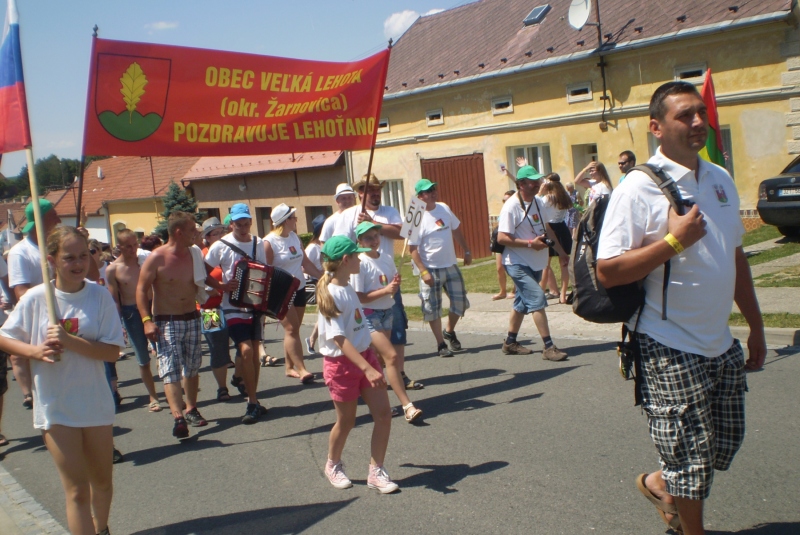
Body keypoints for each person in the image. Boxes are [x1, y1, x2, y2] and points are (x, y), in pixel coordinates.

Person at [596, 81, 766, 535]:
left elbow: (734, 257)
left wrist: (756, 326)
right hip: (667, 344)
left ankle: (659, 484)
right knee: (692, 463)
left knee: (721, 447)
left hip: (720, 341)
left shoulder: (719, 178)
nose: (697, 123)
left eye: (700, 114)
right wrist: (674, 241)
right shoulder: (636, 188)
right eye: (684, 116)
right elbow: (607, 271)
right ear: (656, 127)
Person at [0, 226, 125, 535]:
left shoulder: (98, 296)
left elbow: (111, 353)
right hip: (55, 405)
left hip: (94, 402)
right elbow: (4, 336)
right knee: (77, 490)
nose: (78, 263)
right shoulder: (35, 298)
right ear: (52, 259)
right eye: (69, 257)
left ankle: (102, 528)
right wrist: (34, 350)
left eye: (84, 255)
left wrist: (69, 341)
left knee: (103, 483)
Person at [317, 236, 398, 494]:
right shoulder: (331, 292)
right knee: (347, 421)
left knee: (384, 415)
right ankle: (333, 464)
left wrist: (377, 353)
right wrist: (367, 368)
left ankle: (376, 471)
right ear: (345, 260)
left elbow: (359, 325)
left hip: (365, 358)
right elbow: (339, 339)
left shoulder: (347, 286)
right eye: (356, 255)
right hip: (342, 366)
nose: (360, 259)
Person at [335, 174, 421, 391]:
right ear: (360, 193)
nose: (375, 193)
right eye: (369, 189)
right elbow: (339, 243)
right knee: (368, 336)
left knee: (397, 329)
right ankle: (374, 375)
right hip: (362, 282)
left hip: (389, 280)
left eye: (377, 189)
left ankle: (399, 374)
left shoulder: (388, 212)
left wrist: (374, 224)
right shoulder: (349, 215)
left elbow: (403, 232)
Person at [137, 212, 214, 439]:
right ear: (179, 232)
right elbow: (141, 290)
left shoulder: (194, 253)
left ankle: (191, 408)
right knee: (169, 368)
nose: (196, 233)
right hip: (166, 320)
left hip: (191, 316)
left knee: (192, 366)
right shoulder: (157, 258)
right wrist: (146, 321)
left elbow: (205, 277)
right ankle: (177, 416)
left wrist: (223, 286)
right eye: (192, 230)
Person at [205, 203, 269, 424]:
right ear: (230, 223)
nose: (242, 227)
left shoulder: (258, 243)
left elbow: (265, 271)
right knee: (235, 349)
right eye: (238, 224)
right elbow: (202, 273)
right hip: (222, 307)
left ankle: (253, 398)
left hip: (254, 305)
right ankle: (227, 389)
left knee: (251, 354)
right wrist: (221, 286)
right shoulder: (219, 246)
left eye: (246, 223)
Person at [497, 165, 569, 360]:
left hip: (536, 262)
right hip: (516, 262)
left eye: (538, 180)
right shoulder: (511, 206)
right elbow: (501, 238)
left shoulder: (538, 201)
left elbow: (548, 229)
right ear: (521, 184)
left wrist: (561, 252)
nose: (538, 184)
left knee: (521, 302)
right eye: (533, 181)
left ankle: (510, 342)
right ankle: (548, 347)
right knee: (537, 299)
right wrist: (530, 244)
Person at [353, 221, 422, 423]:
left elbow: (389, 283)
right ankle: (407, 406)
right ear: (359, 241)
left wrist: (395, 284)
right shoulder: (360, 262)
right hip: (368, 314)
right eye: (367, 238)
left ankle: (374, 400)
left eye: (375, 236)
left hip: (386, 312)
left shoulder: (387, 258)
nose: (373, 241)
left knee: (379, 360)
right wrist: (386, 290)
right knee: (391, 357)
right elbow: (359, 297)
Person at [7, 199, 62, 411]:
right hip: (41, 321)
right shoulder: (20, 253)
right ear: (43, 220)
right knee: (48, 376)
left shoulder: (56, 248)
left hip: (65, 316)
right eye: (54, 216)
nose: (58, 219)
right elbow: (21, 293)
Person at [408, 178, 472, 358]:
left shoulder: (443, 207)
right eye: (428, 191)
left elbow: (456, 230)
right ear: (420, 196)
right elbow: (412, 249)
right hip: (430, 268)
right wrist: (423, 271)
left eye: (434, 189)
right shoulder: (415, 216)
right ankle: (440, 344)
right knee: (432, 308)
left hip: (450, 264)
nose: (432, 193)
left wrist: (466, 251)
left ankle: (449, 331)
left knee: (460, 302)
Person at [264, 203, 322, 383]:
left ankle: (289, 367)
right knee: (291, 329)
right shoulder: (269, 242)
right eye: (293, 217)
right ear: (284, 221)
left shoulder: (294, 237)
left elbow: (305, 263)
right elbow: (266, 272)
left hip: (299, 288)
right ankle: (302, 369)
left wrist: (323, 277)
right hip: (281, 292)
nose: (296, 219)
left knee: (294, 329)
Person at [107, 229, 162, 411]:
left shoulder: (144, 262)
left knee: (163, 351)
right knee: (142, 358)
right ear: (120, 247)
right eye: (128, 246)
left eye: (135, 245)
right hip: (131, 313)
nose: (133, 249)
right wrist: (117, 324)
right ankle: (153, 397)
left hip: (153, 308)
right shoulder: (113, 269)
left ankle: (171, 389)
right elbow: (115, 299)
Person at [198, 217, 242, 401]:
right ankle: (222, 388)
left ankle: (238, 377)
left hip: (233, 305)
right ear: (207, 237)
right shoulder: (202, 255)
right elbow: (199, 281)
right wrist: (218, 287)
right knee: (218, 348)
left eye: (221, 232)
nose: (219, 236)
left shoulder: (229, 249)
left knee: (243, 344)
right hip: (211, 309)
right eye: (215, 233)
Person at [538, 175, 574, 304]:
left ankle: (541, 293)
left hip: (550, 228)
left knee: (545, 264)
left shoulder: (548, 198)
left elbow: (536, 204)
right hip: (562, 227)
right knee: (564, 263)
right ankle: (563, 294)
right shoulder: (565, 197)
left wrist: (540, 192)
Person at [304, 214, 326, 355]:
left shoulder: (326, 244)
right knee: (325, 312)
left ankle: (312, 339)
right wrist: (318, 274)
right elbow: (304, 266)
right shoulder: (312, 247)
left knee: (325, 313)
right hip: (318, 283)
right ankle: (314, 339)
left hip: (327, 283)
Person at [492, 190, 517, 301]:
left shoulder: (514, 210)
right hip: (500, 243)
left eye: (507, 199)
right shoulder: (504, 210)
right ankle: (502, 291)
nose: (505, 202)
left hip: (511, 241)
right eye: (503, 200)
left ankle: (515, 290)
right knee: (499, 268)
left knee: (514, 267)